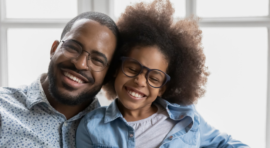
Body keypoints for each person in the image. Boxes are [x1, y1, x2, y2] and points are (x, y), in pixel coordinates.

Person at [76, 0, 249, 147]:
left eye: (154, 78)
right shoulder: (91, 126)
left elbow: (225, 143)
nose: (140, 81)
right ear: (115, 68)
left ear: (162, 89)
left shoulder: (187, 119)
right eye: (132, 69)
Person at [0, 12, 119, 148]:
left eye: (97, 60)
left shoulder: (116, 134)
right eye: (72, 48)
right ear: (54, 49)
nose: (80, 64)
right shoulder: (2, 109)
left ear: (108, 75)